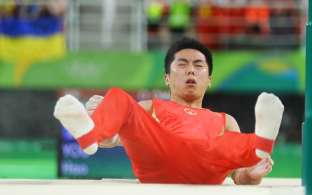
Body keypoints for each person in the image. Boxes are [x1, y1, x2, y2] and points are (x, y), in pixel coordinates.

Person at [54, 37, 284, 185]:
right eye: (182, 65)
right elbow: (113, 140)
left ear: (209, 79)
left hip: (206, 161)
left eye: (198, 66)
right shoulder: (150, 108)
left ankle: (261, 144)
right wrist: (103, 116)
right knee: (119, 99)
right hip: (159, 154)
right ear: (167, 77)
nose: (191, 72)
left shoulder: (225, 121)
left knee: (236, 145)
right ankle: (90, 133)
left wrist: (252, 175)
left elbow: (239, 176)